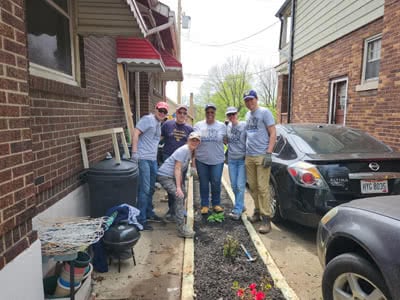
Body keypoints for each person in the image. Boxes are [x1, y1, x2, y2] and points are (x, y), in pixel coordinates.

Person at [131, 101, 169, 231]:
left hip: (152, 160)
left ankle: (148, 213)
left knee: (151, 188)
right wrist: (134, 152)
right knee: (144, 189)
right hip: (143, 158)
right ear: (155, 109)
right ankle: (140, 220)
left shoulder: (159, 123)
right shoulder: (147, 119)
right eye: (160, 110)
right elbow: (136, 133)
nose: (162, 113)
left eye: (164, 112)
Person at [243, 90, 277, 234]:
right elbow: (248, 134)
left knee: (263, 188)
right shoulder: (247, 115)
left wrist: (269, 152)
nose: (249, 102)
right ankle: (257, 211)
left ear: (256, 99)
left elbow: (273, 132)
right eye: (247, 100)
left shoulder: (265, 112)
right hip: (249, 156)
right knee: (253, 186)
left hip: (261, 155)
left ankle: (266, 218)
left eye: (251, 99)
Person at [157, 132, 201, 238]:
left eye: (196, 140)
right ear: (188, 140)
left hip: (171, 176)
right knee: (179, 196)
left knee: (183, 193)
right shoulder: (184, 150)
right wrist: (178, 188)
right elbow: (177, 169)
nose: (194, 142)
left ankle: (172, 215)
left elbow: (181, 170)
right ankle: (181, 229)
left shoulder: (191, 151)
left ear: (199, 142)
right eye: (192, 140)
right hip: (164, 176)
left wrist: (181, 186)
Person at [161, 104, 193, 221]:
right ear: (176, 113)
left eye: (184, 113)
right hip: (168, 157)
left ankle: (180, 208)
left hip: (182, 161)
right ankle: (171, 209)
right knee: (171, 186)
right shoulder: (167, 125)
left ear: (186, 116)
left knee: (180, 184)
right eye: (180, 112)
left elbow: (192, 146)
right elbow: (159, 138)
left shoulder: (189, 129)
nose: (182, 115)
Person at [194, 103, 227, 215]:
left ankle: (216, 204)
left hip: (217, 160)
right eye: (208, 112)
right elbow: (194, 141)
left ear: (215, 113)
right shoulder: (198, 125)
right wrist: (192, 159)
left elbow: (227, 140)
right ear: (205, 113)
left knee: (216, 181)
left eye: (212, 112)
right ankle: (204, 205)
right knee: (203, 183)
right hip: (201, 159)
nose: (210, 114)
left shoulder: (222, 126)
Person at [225, 107, 247, 220]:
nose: (231, 116)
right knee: (233, 185)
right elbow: (226, 140)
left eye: (233, 114)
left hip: (242, 160)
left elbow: (250, 139)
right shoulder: (227, 127)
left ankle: (237, 210)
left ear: (237, 114)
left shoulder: (244, 125)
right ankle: (241, 205)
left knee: (240, 185)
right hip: (231, 160)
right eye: (229, 115)